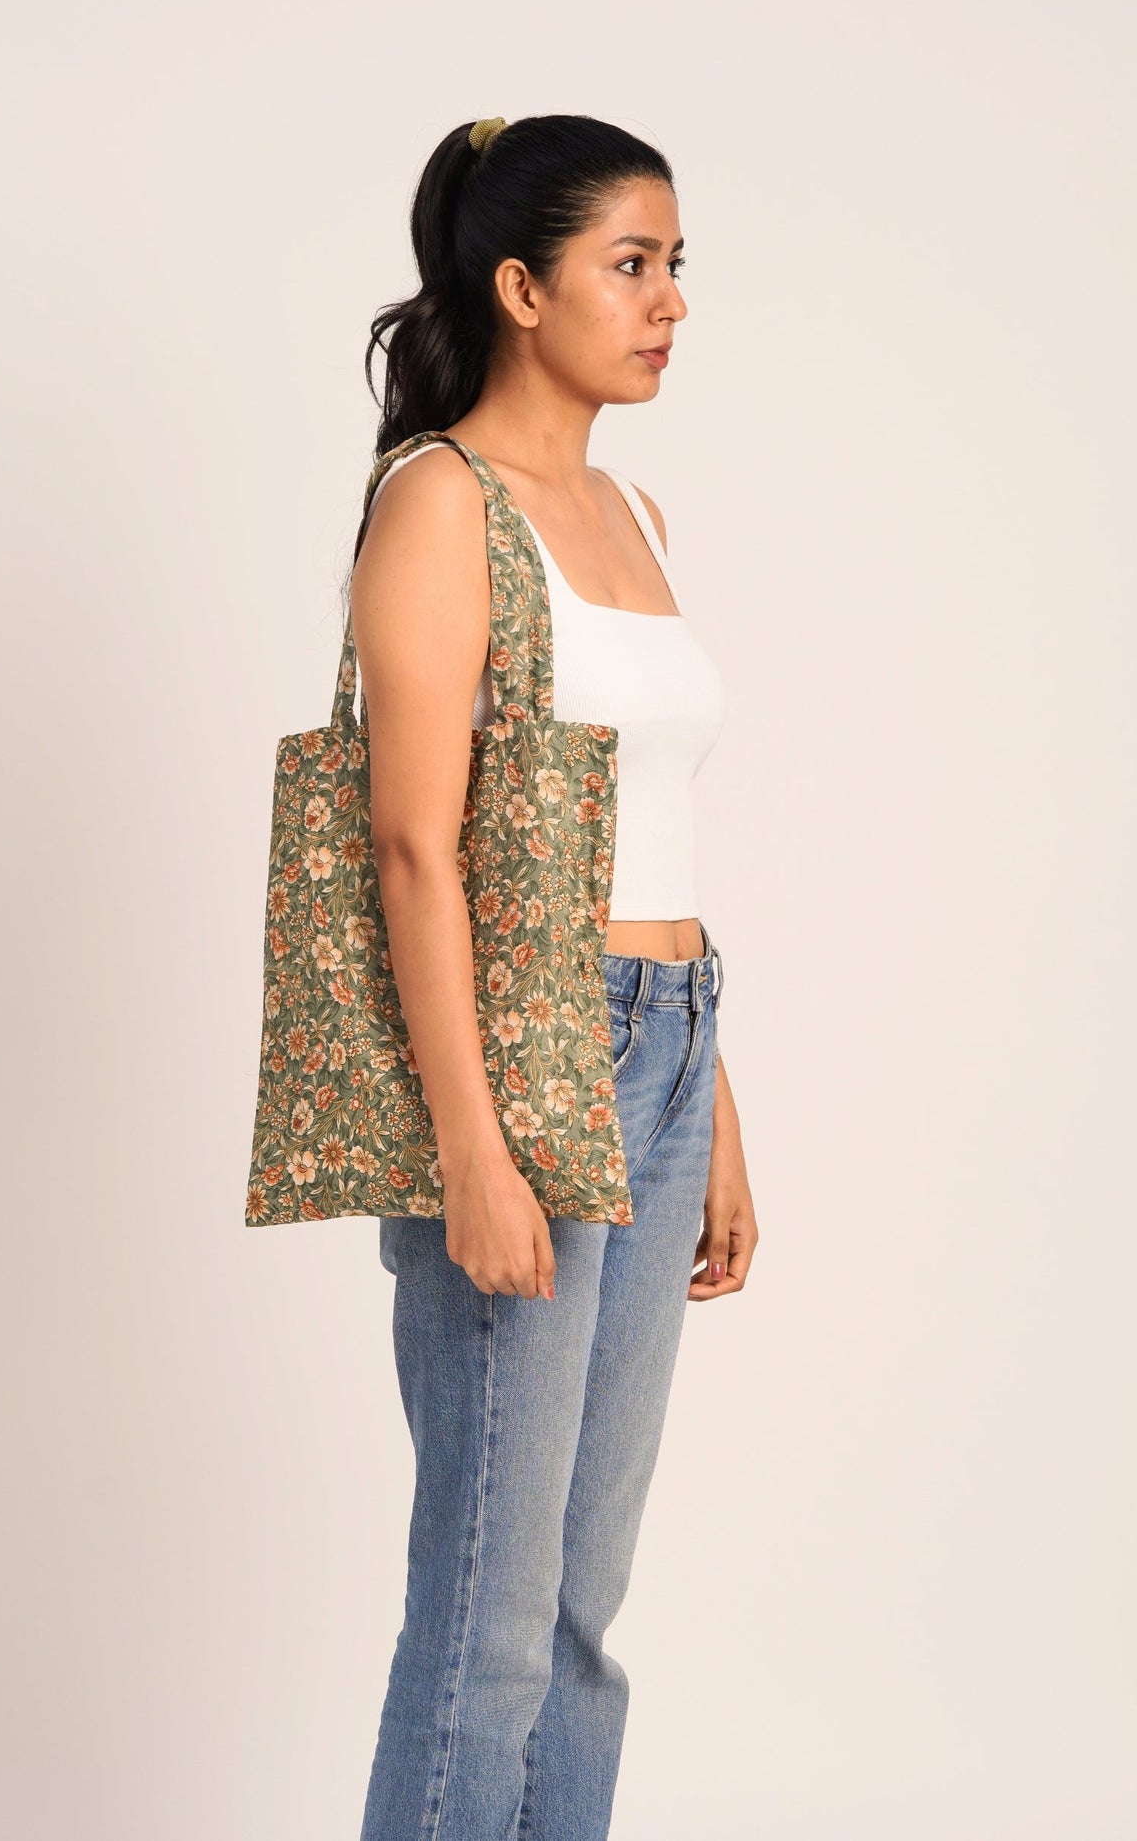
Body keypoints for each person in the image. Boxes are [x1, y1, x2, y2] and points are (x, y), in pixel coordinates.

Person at [349, 113, 759, 1841]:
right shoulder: (441, 501)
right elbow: (412, 846)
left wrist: (712, 1108)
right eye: (630, 264)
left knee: (582, 1619)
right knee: (490, 1619)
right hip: (519, 1059)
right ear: (520, 288)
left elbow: (650, 838)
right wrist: (469, 1147)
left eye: (675, 266)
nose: (670, 302)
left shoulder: (632, 511)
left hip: (663, 1045)